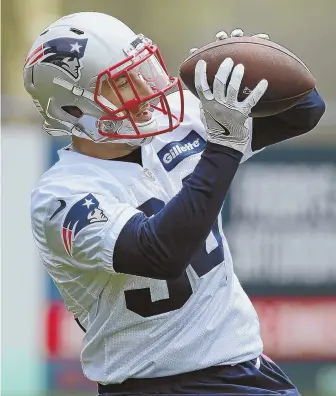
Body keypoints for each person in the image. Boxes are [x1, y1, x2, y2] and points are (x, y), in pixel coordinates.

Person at [24, 11, 325, 396]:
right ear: (74, 109)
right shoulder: (60, 196)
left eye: (139, 70)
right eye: (121, 83)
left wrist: (253, 64)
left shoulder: (180, 119)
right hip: (157, 384)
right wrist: (225, 144)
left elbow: (305, 110)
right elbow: (160, 252)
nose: (143, 89)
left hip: (247, 368)